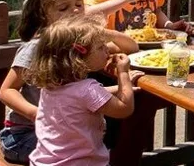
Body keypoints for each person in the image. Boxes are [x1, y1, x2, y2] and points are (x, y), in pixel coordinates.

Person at [0, 0, 139, 164]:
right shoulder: (37, 48)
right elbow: (6, 91)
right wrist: (37, 114)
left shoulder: (80, 43)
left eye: (79, 4)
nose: (75, 11)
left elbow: (131, 47)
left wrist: (99, 32)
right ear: (42, 14)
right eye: (63, 8)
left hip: (59, 130)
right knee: (86, 149)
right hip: (23, 135)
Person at [26, 15, 141, 166]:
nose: (107, 49)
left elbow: (80, 99)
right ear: (78, 56)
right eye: (100, 47)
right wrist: (123, 74)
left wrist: (123, 86)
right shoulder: (87, 89)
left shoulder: (51, 87)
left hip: (46, 161)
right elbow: (124, 109)